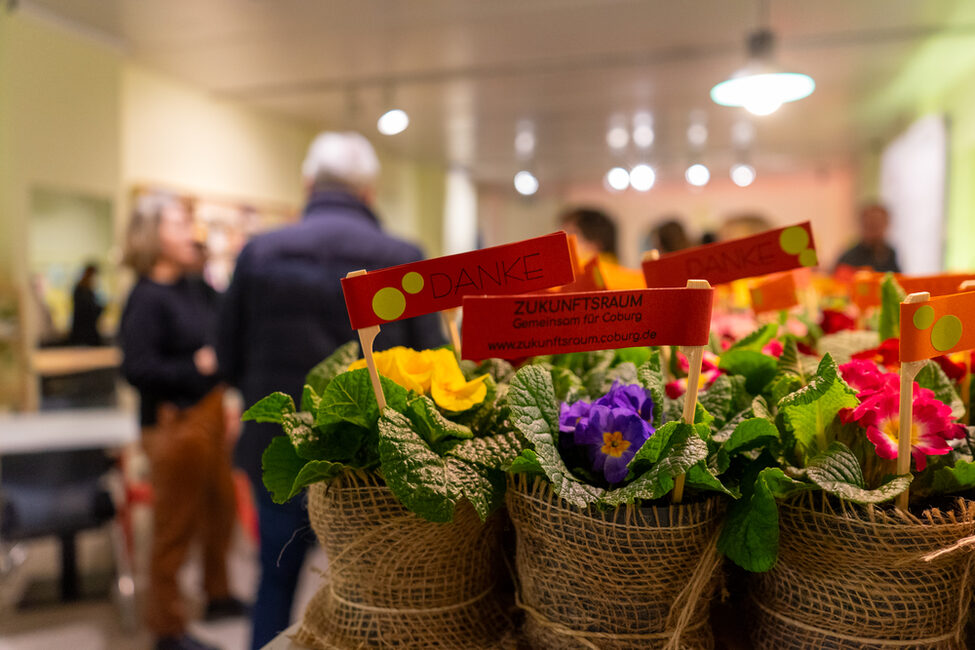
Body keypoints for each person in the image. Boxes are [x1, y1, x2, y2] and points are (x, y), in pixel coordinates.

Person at [217, 131, 444, 649]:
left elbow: (226, 356)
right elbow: (433, 365)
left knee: (273, 578)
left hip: (279, 447)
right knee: (369, 592)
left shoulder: (258, 254)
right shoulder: (402, 256)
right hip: (368, 455)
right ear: (370, 191)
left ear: (306, 184)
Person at [119, 195, 245, 650]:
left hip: (210, 415)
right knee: (174, 528)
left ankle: (219, 594)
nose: (187, 230)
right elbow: (137, 369)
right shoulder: (145, 298)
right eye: (177, 222)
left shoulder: (196, 287)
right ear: (152, 234)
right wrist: (198, 365)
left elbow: (224, 333)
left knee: (221, 512)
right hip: (172, 423)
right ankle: (166, 628)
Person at [835, 203, 901, 273]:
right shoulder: (848, 258)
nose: (875, 230)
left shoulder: (890, 253)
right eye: (871, 225)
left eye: (878, 225)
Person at [68, 263, 103, 346]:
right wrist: (101, 309)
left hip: (82, 332)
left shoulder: (82, 289)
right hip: (84, 333)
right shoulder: (83, 290)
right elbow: (89, 311)